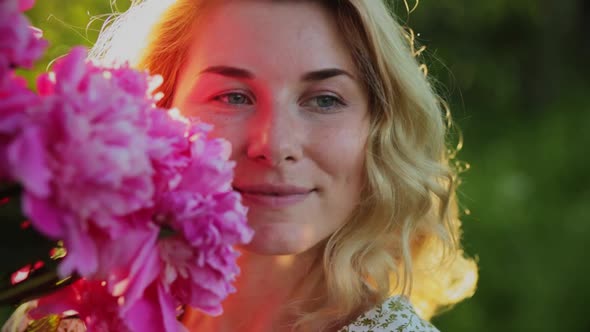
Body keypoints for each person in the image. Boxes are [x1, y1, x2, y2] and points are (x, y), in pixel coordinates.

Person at [4, 0, 478, 331]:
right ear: (157, 107)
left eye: (325, 100)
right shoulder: (59, 315)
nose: (275, 144)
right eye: (233, 96)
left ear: (378, 128)